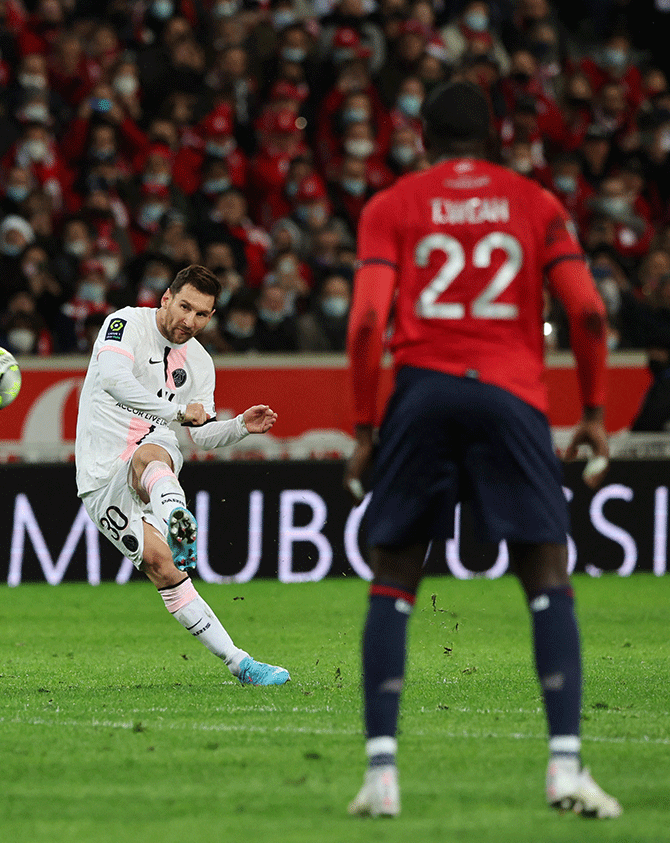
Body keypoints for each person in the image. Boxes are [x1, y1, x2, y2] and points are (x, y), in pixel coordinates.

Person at [342, 80, 621, 819]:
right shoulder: (534, 203)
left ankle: (382, 777)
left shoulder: (391, 206)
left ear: (424, 138)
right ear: (493, 138)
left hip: (424, 390)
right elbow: (588, 311)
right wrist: (593, 410)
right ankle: (564, 768)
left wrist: (366, 427)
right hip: (511, 393)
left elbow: (369, 322)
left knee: (395, 572)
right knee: (545, 572)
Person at [74, 264, 290, 686]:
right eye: (185, 307)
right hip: (100, 474)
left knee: (152, 453)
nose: (190, 322)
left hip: (154, 458)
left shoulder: (201, 363)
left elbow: (202, 435)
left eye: (202, 315)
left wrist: (240, 425)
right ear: (166, 298)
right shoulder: (124, 324)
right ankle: (174, 516)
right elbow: (116, 381)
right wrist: (176, 411)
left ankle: (240, 664)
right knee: (162, 567)